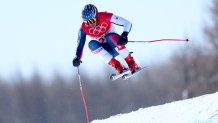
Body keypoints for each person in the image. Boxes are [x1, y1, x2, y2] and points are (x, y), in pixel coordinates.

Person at [72, 4, 139, 74]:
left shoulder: (105, 16)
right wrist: (77, 58)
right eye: (87, 22)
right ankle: (117, 66)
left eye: (92, 20)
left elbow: (127, 23)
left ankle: (131, 62)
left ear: (96, 15)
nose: (90, 24)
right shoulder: (83, 28)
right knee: (91, 44)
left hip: (116, 45)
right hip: (107, 51)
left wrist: (124, 35)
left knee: (109, 36)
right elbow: (80, 45)